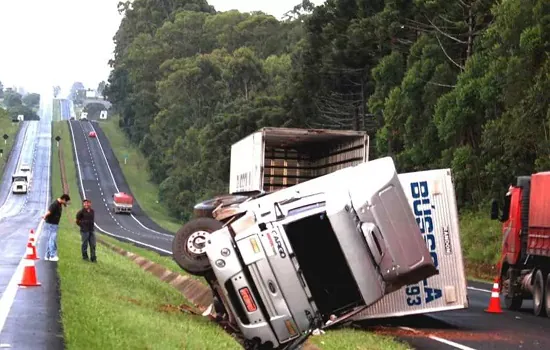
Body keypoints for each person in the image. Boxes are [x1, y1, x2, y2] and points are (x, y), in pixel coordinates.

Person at [43, 194, 71, 261]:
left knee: (51, 240)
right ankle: (52, 256)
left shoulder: (59, 204)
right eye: (66, 201)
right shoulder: (55, 204)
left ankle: (47, 255)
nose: (66, 203)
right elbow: (49, 211)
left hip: (53, 224)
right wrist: (44, 216)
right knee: (52, 240)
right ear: (63, 199)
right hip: (51, 224)